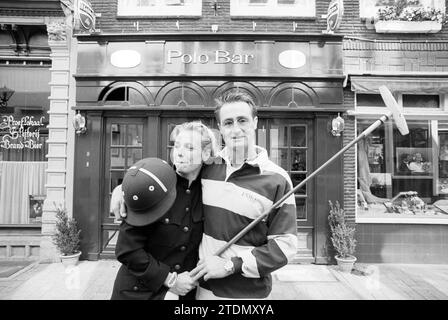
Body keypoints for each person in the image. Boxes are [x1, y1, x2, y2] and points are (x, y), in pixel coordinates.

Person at [189, 91, 298, 299]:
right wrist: (125, 188)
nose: (236, 129)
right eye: (228, 123)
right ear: (220, 128)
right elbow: (169, 183)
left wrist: (231, 265)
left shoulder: (277, 179)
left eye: (242, 120)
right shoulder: (207, 167)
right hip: (204, 290)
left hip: (249, 295)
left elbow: (285, 247)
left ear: (255, 122)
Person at [110, 122, 217, 300]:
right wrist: (169, 279)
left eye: (189, 148)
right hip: (138, 292)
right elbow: (126, 249)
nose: (179, 153)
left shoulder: (210, 188)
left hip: (183, 294)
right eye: (176, 146)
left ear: (206, 154)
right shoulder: (154, 184)